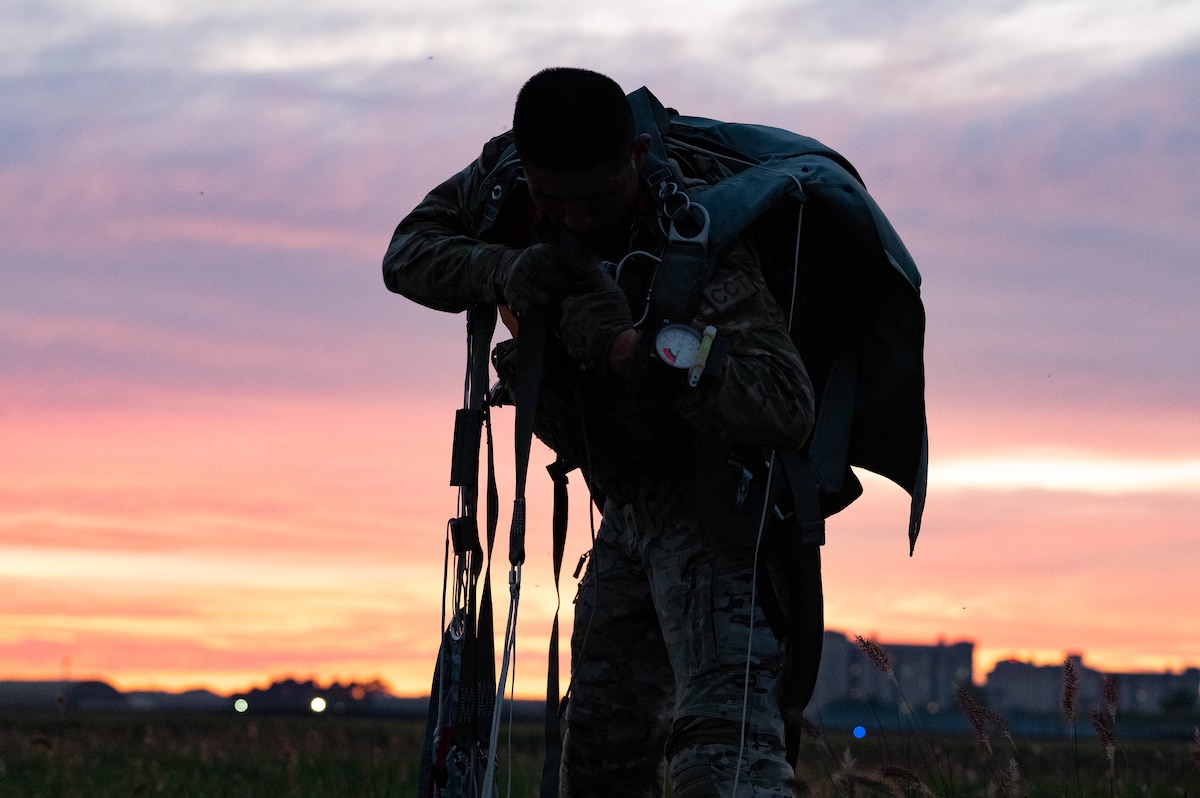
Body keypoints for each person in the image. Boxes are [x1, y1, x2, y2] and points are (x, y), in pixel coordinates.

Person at [384, 67, 816, 798]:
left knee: (724, 763)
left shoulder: (695, 235)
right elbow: (407, 254)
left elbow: (787, 402)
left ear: (639, 157)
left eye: (597, 199)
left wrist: (640, 353)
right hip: (626, 514)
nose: (577, 220)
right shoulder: (506, 186)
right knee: (599, 760)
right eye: (556, 202)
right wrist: (508, 269)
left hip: (719, 515)